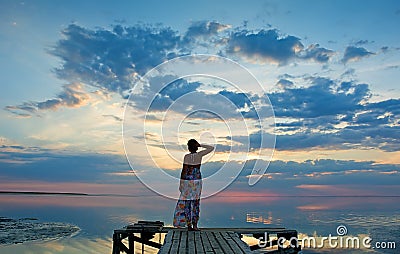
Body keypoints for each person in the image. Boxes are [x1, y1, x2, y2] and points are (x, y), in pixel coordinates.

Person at [173, 139, 214, 231]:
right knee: (195, 203)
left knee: (187, 203)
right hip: (197, 181)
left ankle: (189, 226)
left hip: (188, 180)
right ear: (196, 146)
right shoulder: (199, 155)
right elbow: (211, 148)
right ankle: (195, 225)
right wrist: (200, 145)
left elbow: (184, 171)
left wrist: (181, 183)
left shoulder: (186, 156)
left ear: (188, 147)